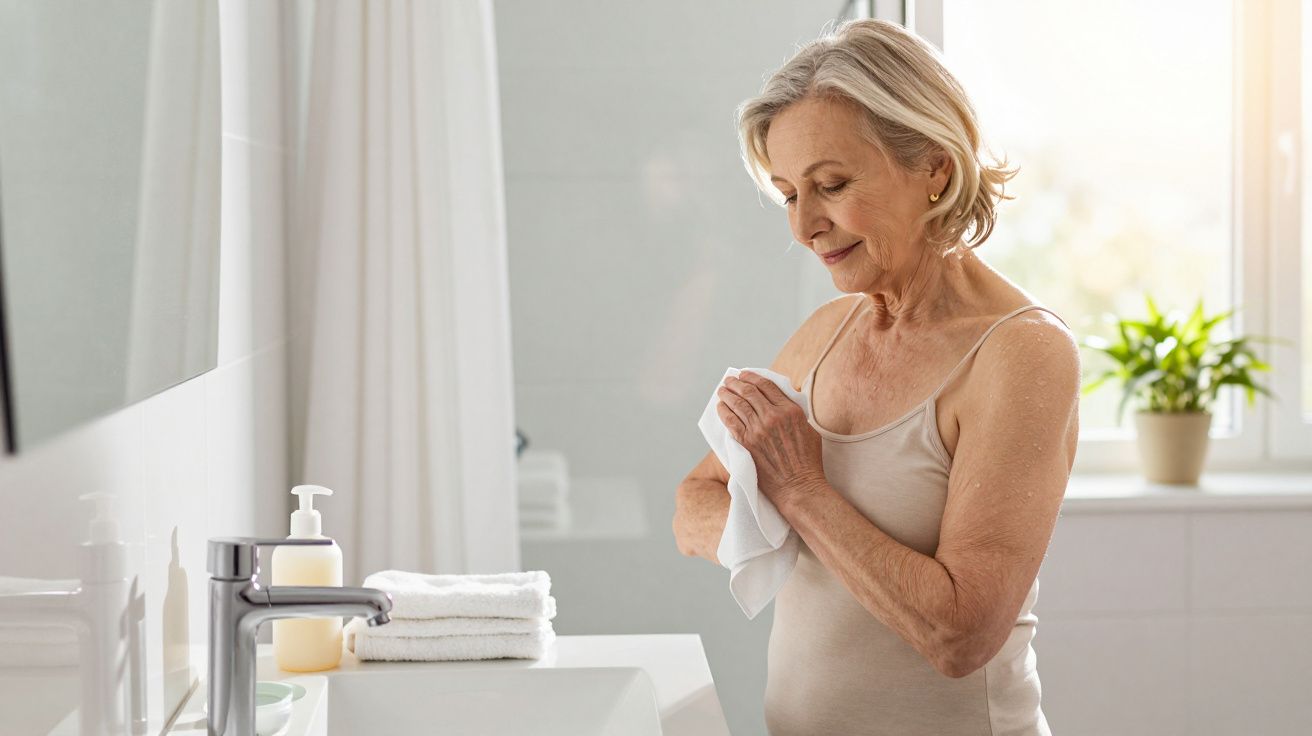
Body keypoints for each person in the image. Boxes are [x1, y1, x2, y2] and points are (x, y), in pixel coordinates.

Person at [672, 19, 1080, 736]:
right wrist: (773, 516)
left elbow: (961, 635)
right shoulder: (828, 333)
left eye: (831, 185)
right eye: (789, 192)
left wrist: (798, 492)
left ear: (935, 170)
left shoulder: (1019, 354)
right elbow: (691, 507)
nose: (804, 226)